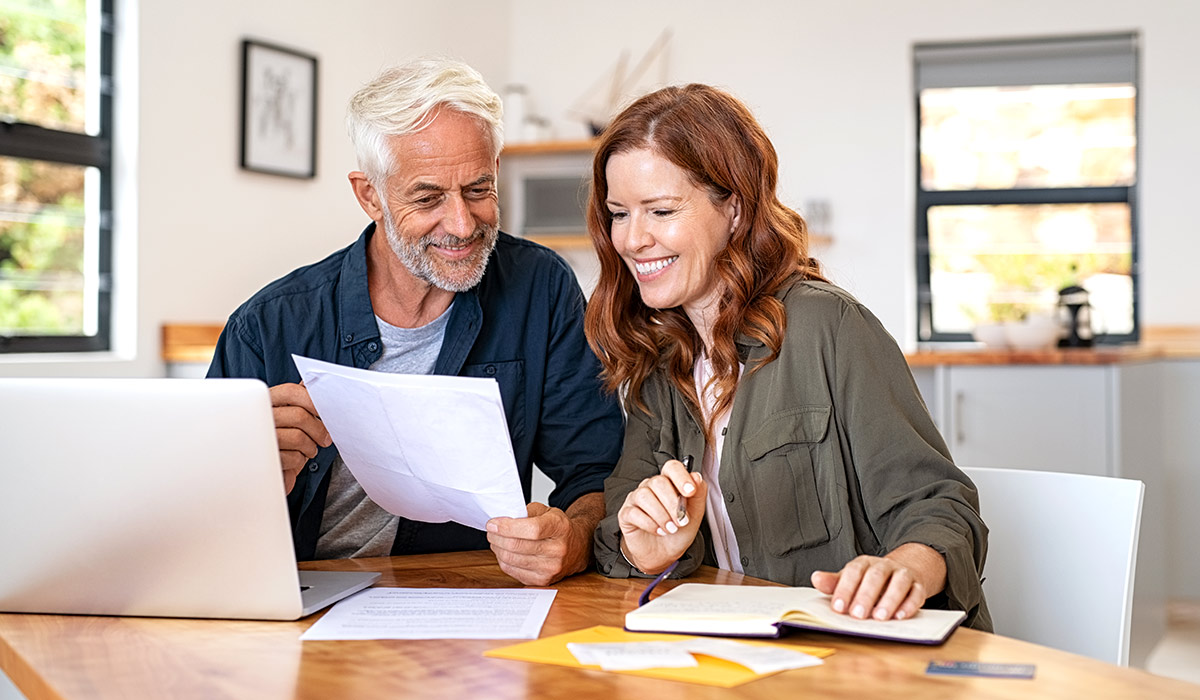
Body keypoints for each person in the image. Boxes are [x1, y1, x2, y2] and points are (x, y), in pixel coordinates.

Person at [586, 84, 990, 629]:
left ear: (734, 208)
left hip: (860, 658)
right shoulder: (661, 360)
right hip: (741, 655)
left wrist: (904, 568)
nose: (633, 240)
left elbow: (941, 508)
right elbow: (618, 530)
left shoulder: (830, 327)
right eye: (618, 213)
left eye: (660, 210)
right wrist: (649, 548)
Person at [208, 58, 624, 586]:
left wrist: (574, 538)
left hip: (460, 594)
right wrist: (250, 471)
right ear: (369, 196)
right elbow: (197, 517)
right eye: (427, 198)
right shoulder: (267, 325)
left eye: (479, 189)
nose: (462, 224)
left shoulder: (540, 288)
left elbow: (595, 473)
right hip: (300, 596)